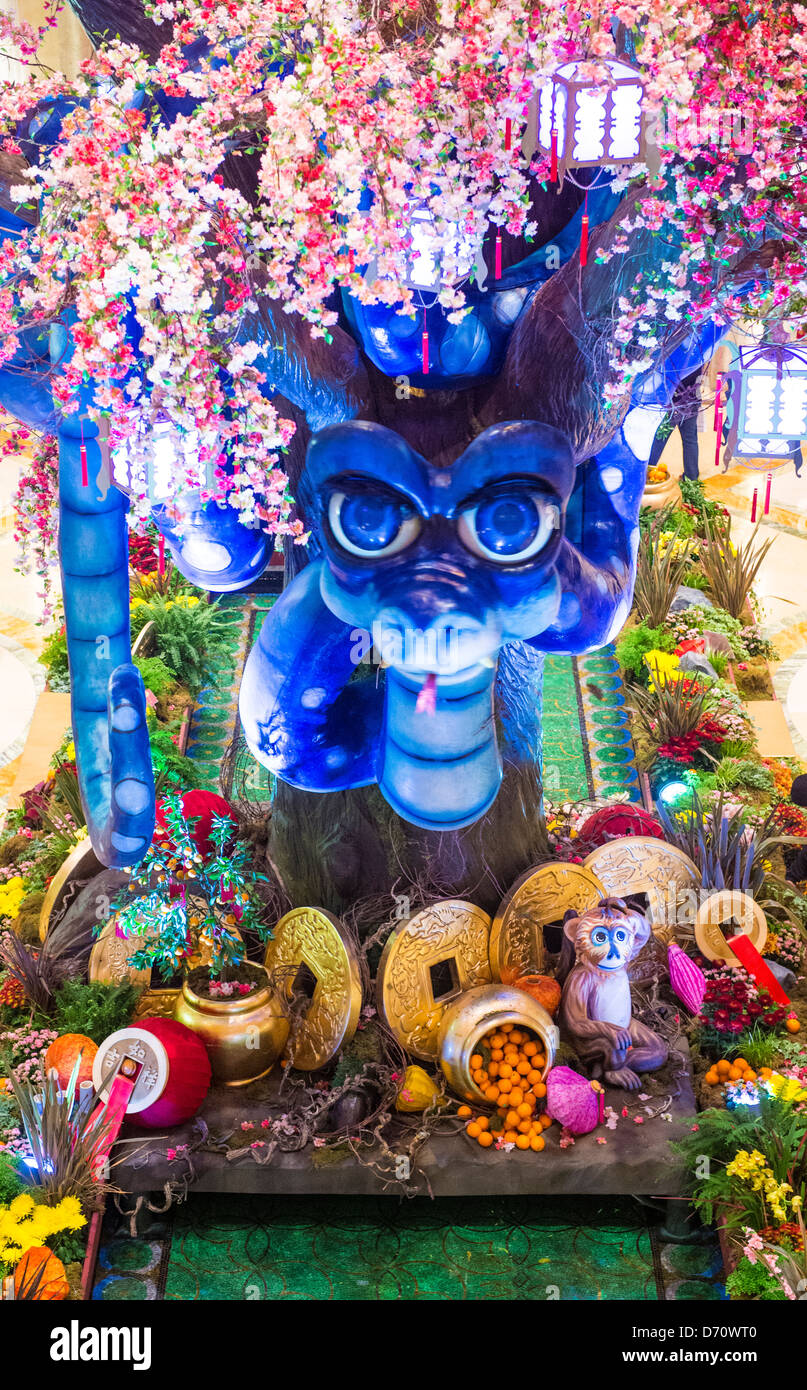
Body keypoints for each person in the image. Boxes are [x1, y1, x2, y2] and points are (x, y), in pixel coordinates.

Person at [647, 367, 702, 481]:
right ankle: (692, 477)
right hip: (691, 399)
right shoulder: (700, 351)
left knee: (659, 438)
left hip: (673, 401)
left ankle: (645, 473)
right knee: (690, 440)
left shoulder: (676, 351)